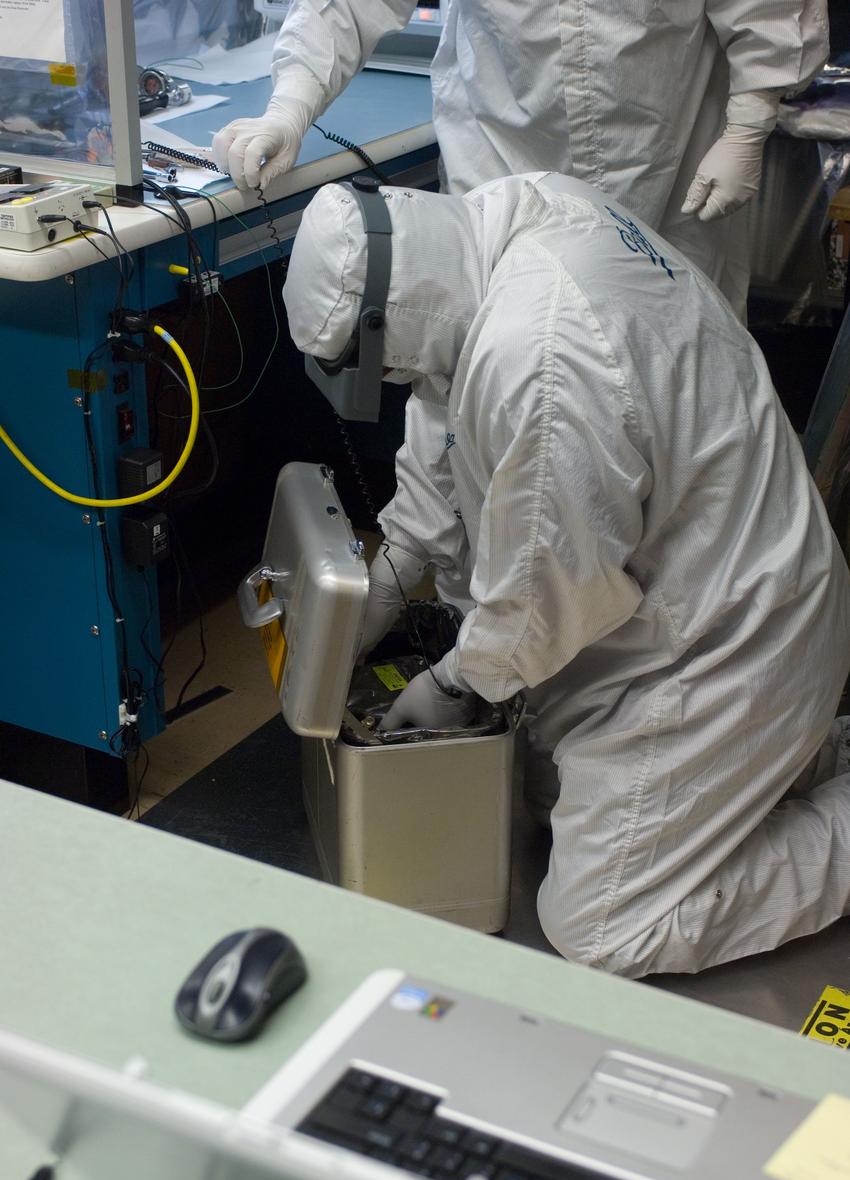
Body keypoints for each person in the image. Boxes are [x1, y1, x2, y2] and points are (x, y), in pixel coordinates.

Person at [282, 172, 850, 978]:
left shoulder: (540, 357)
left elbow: (550, 594)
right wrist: (390, 573)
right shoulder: (504, 229)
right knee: (543, 803)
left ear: (391, 316)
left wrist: (454, 683)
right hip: (709, 594)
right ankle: (799, 757)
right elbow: (441, 413)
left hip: (726, 648)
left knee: (603, 925)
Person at [213, 0, 829, 316]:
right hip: (501, 158)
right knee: (494, 362)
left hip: (666, 165)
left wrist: (749, 123)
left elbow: (767, 9)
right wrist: (290, 105)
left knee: (674, 378)